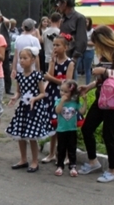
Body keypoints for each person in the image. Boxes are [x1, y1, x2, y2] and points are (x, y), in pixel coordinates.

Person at [77, 26, 114, 183]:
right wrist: (88, 87)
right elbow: (104, 78)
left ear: (104, 40)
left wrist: (104, 70)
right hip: (103, 97)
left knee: (108, 133)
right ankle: (93, 162)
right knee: (87, 128)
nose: (96, 48)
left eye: (97, 44)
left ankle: (113, 170)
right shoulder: (106, 54)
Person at [6, 47, 53, 173]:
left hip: (35, 108)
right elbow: (18, 91)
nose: (21, 61)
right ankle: (23, 159)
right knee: (20, 135)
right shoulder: (20, 76)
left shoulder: (37, 75)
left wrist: (34, 99)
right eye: (20, 58)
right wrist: (15, 98)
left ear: (32, 60)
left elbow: (43, 93)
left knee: (32, 136)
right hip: (23, 108)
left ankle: (34, 161)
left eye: (25, 58)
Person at [42, 34, 75, 164]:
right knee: (53, 124)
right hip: (52, 94)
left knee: (63, 126)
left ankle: (66, 155)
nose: (54, 47)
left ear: (65, 47)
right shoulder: (53, 60)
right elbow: (48, 75)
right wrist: (51, 62)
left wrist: (52, 79)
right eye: (53, 45)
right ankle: (51, 154)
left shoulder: (70, 63)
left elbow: (67, 83)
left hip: (63, 96)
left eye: (58, 45)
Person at [54, 80, 87, 177]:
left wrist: (85, 101)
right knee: (61, 148)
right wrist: (62, 101)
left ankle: (72, 166)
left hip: (72, 130)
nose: (62, 93)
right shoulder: (58, 101)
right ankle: (60, 166)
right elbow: (58, 110)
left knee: (72, 148)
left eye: (65, 91)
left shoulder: (74, 103)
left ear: (71, 93)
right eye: (61, 90)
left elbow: (82, 112)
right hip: (61, 130)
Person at [55, 0, 87, 66]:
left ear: (65, 3)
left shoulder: (79, 18)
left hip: (71, 58)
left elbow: (81, 40)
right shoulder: (63, 19)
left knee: (69, 78)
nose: (58, 6)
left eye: (59, 3)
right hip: (61, 56)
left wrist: (74, 59)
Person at [0, 10, 12, 95]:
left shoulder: (4, 24)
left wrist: (3, 18)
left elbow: (8, 22)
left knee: (6, 69)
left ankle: (8, 88)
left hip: (4, 48)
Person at [77, 17, 95, 84]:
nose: (85, 23)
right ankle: (75, 84)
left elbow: (94, 43)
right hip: (80, 50)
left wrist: (85, 42)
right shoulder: (80, 30)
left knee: (87, 69)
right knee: (76, 67)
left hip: (89, 51)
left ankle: (87, 85)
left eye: (87, 22)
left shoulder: (92, 31)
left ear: (89, 23)